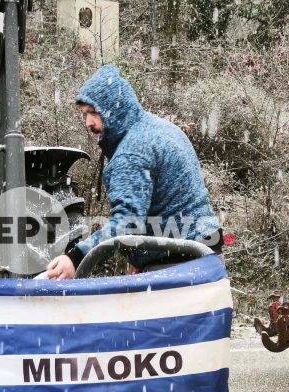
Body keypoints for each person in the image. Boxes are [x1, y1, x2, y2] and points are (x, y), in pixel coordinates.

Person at [46, 64, 222, 280]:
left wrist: (76, 258)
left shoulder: (132, 152)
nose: (88, 123)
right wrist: (143, 258)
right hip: (204, 252)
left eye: (93, 113)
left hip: (179, 261)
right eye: (85, 114)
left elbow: (127, 224)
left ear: (114, 110)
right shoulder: (160, 127)